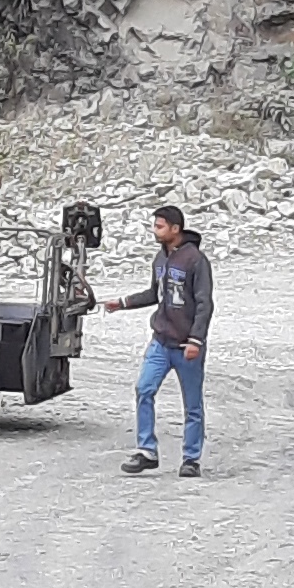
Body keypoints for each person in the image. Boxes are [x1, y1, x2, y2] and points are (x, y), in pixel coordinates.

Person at [106, 203, 211, 477]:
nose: (155, 230)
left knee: (192, 404)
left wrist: (196, 340)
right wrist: (122, 303)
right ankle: (146, 451)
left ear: (176, 229)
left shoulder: (196, 261)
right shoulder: (160, 259)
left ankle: (191, 459)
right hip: (160, 342)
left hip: (187, 345)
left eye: (160, 226)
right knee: (144, 389)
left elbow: (204, 304)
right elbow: (155, 294)